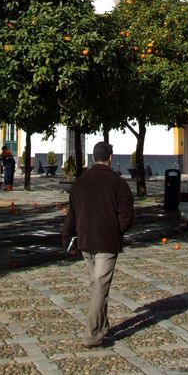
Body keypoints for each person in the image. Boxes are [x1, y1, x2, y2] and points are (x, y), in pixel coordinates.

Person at [62, 141, 134, 348]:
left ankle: (102, 327)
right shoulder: (118, 183)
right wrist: (117, 229)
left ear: (93, 157)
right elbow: (127, 215)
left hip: (85, 240)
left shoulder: (80, 182)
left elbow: (72, 213)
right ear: (110, 157)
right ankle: (92, 334)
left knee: (97, 284)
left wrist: (67, 235)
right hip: (107, 241)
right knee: (100, 286)